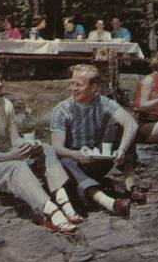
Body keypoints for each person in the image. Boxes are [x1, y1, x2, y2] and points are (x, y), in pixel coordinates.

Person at [0, 62, 83, 233]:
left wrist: (28, 145)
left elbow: (15, 139)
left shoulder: (5, 105)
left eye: (1, 80)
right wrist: (11, 156)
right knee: (15, 166)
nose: (0, 84)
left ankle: (64, 203)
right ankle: (51, 212)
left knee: (46, 148)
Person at [50, 64, 139, 215]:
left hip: (98, 158)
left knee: (122, 130)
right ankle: (108, 202)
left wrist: (122, 149)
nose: (73, 88)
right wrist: (75, 154)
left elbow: (131, 123)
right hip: (74, 165)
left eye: (78, 85)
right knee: (63, 159)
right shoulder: (62, 109)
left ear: (93, 88)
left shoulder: (103, 102)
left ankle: (131, 186)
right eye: (72, 83)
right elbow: (57, 146)